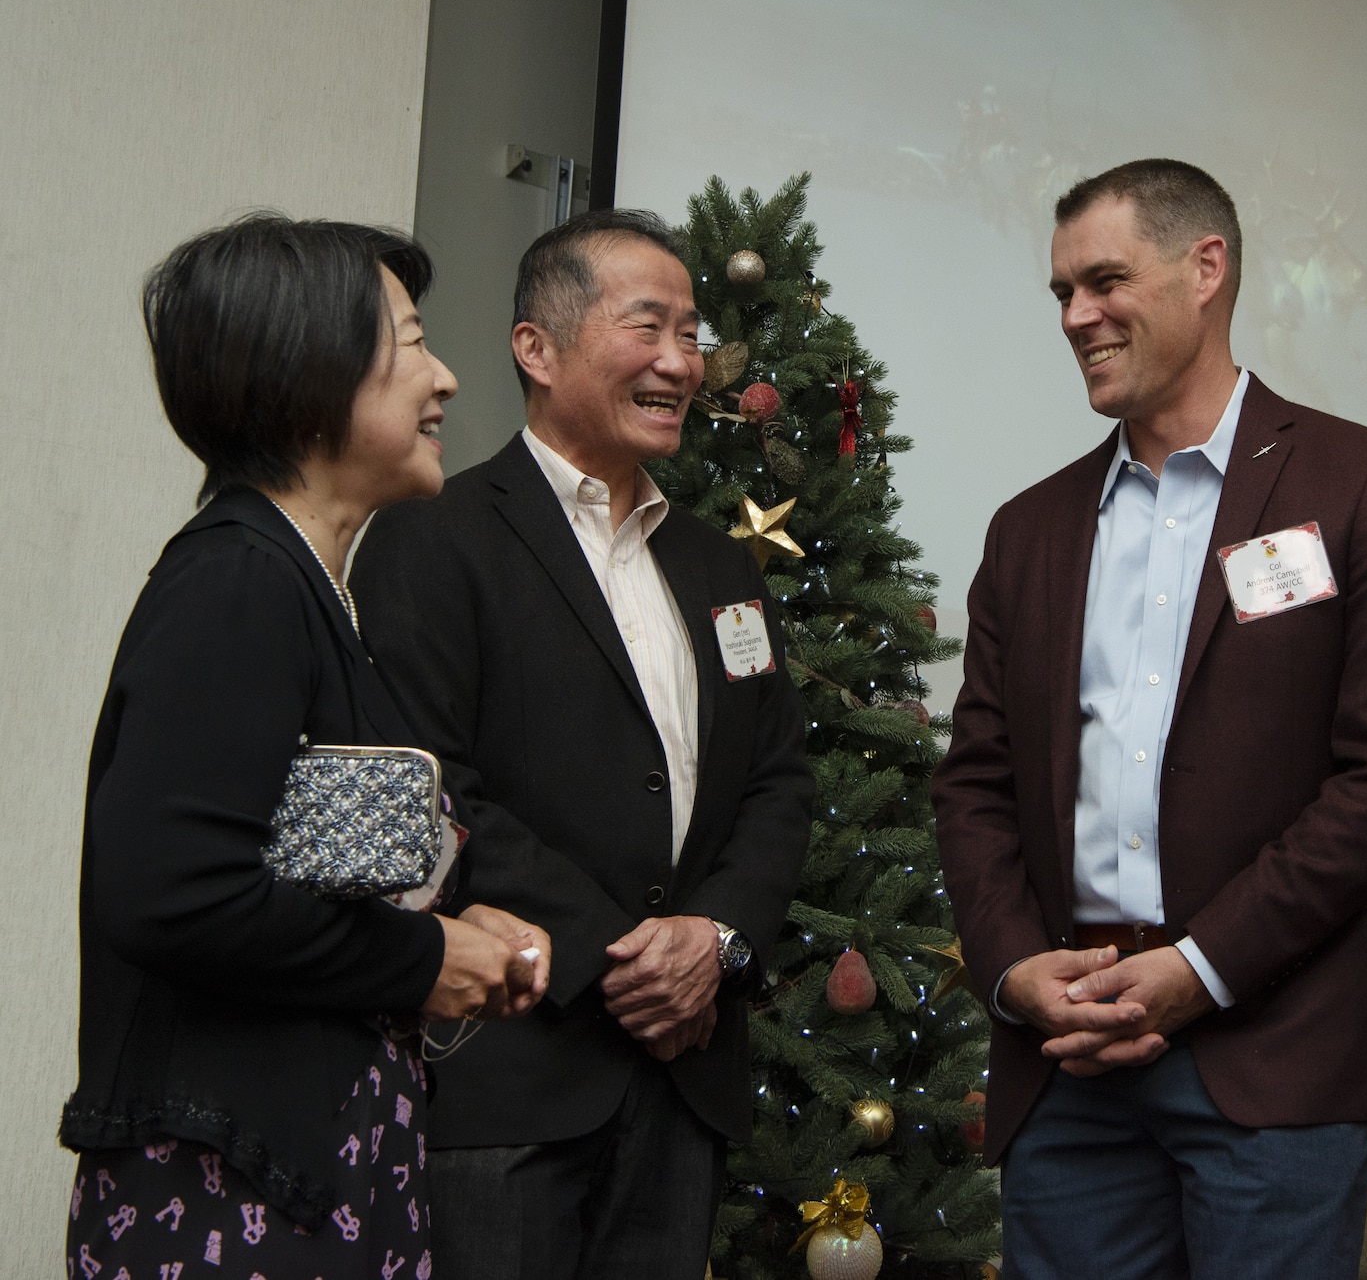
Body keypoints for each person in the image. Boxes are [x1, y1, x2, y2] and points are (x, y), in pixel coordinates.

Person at [931, 159, 1367, 1280]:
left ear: (1204, 269)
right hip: (1065, 1061)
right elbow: (974, 783)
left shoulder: (1362, 482)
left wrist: (1200, 966)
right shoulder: (1027, 531)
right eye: (1061, 292)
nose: (1077, 315)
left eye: (1105, 280)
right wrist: (1016, 967)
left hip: (1277, 1052)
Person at [61, 214, 551, 1280]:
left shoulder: (304, 586)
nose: (447, 380)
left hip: (309, 1168)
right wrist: (425, 959)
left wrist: (456, 926)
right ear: (312, 375)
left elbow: (293, 877)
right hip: (226, 1191)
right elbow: (177, 894)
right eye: (413, 342)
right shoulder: (237, 581)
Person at [349, 207, 813, 1280]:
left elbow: (779, 781)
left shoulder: (718, 568)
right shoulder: (433, 536)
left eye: (693, 334)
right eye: (647, 325)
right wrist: (622, 960)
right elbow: (431, 788)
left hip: (682, 1077)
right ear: (535, 347)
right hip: (512, 1075)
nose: (678, 362)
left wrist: (714, 940)